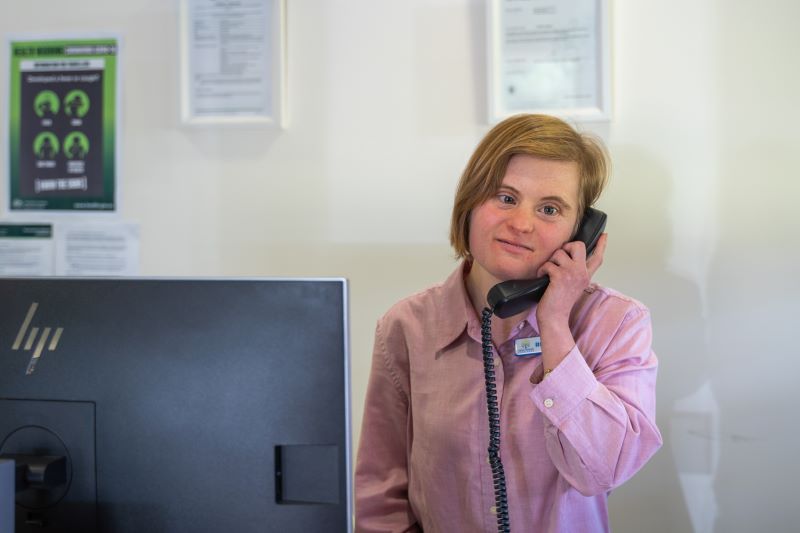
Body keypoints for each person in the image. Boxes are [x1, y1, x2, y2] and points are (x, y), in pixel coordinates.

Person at [355, 114, 662, 533]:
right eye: (504, 197)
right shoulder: (406, 327)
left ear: (582, 232)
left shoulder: (617, 324)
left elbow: (604, 470)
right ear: (470, 201)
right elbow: (381, 495)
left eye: (550, 208)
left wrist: (554, 324)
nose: (521, 223)